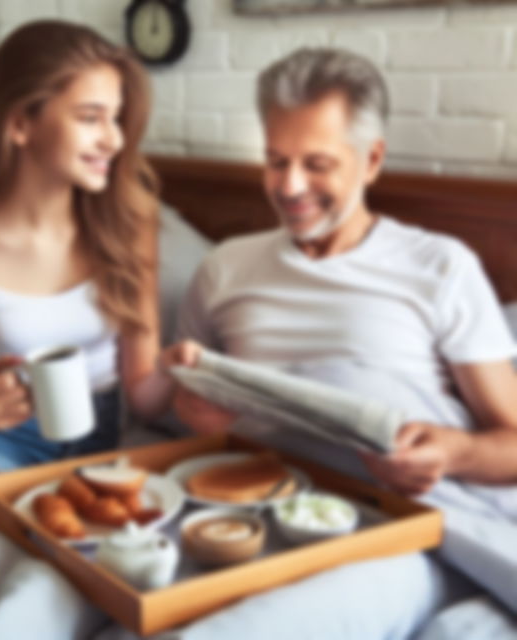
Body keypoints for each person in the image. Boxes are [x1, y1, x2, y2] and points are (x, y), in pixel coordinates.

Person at [161, 47, 517, 639]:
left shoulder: (439, 267)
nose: (291, 186)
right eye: (276, 162)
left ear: (371, 160)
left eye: (316, 164)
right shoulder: (224, 268)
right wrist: (191, 409)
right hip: (256, 507)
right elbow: (183, 405)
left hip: (397, 525)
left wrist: (451, 453)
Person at [0, 21, 174, 496]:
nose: (114, 139)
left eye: (116, 118)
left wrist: (182, 374)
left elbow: (144, 398)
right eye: (90, 118)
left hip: (102, 444)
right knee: (13, 547)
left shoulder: (128, 228)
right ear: (20, 123)